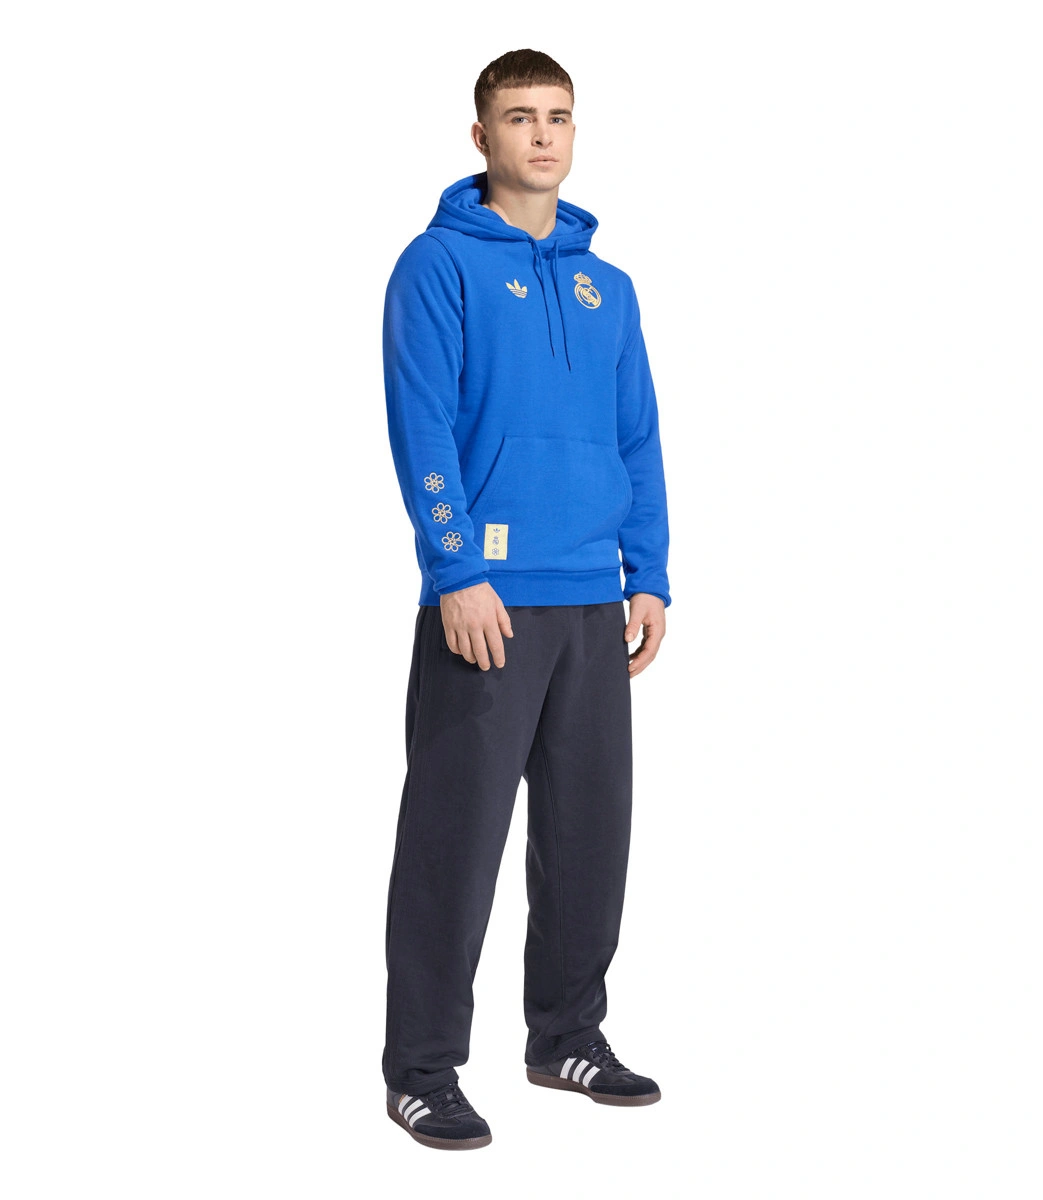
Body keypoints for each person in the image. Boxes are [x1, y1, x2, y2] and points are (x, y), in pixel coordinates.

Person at [380, 48, 672, 1152]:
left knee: (591, 834)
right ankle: (420, 1069)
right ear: (481, 136)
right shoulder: (436, 266)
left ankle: (567, 1037)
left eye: (558, 117)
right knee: (454, 843)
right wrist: (457, 569)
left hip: (593, 598)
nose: (542, 136)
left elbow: (638, 436)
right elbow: (422, 426)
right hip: (487, 600)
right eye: (519, 118)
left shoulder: (610, 287)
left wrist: (648, 572)